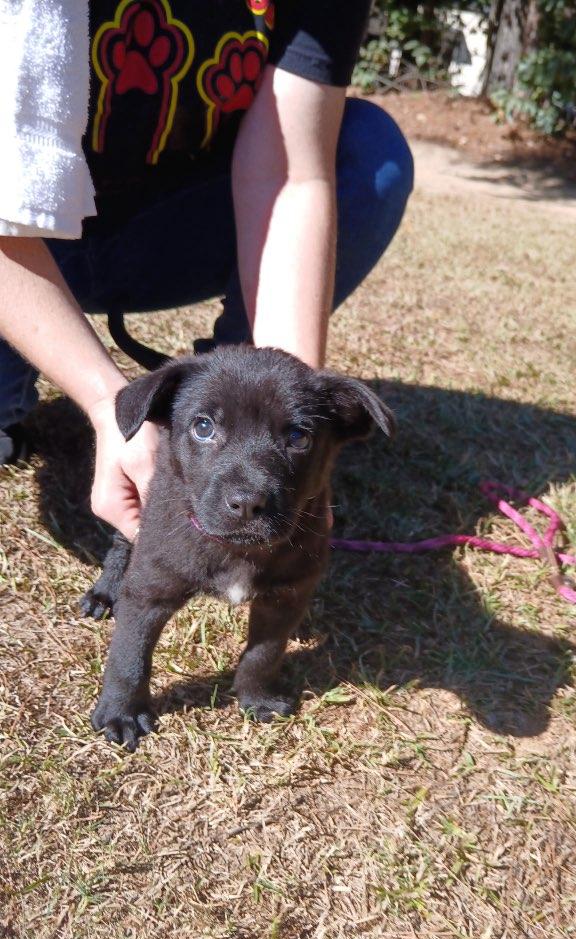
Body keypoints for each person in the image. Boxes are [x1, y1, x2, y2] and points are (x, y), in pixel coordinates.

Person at [0, 0, 413, 541]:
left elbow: (289, 176)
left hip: (171, 221)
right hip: (21, 235)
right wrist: (106, 403)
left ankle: (228, 404)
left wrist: (286, 413)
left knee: (368, 152)